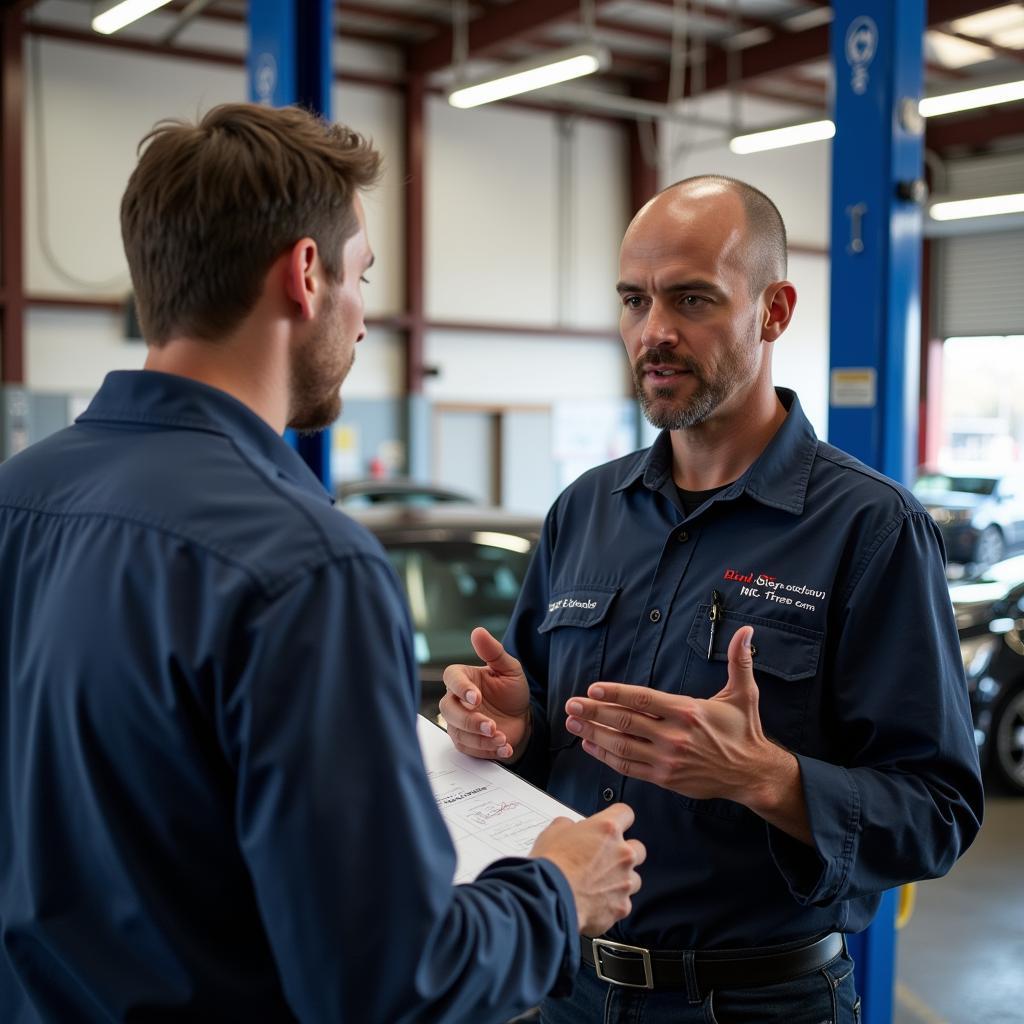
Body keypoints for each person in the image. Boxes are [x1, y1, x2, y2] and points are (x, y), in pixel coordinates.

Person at [0, 103, 647, 1024]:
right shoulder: (302, 566)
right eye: (363, 277)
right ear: (307, 273)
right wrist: (556, 889)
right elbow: (387, 981)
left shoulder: (17, 496)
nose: (364, 318)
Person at [440, 175, 984, 1023]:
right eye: (633, 300)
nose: (653, 332)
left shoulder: (870, 530)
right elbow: (546, 747)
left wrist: (766, 779)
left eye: (692, 299)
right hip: (570, 992)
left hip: (760, 1003)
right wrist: (513, 732)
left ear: (774, 310)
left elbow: (938, 813)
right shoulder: (583, 511)